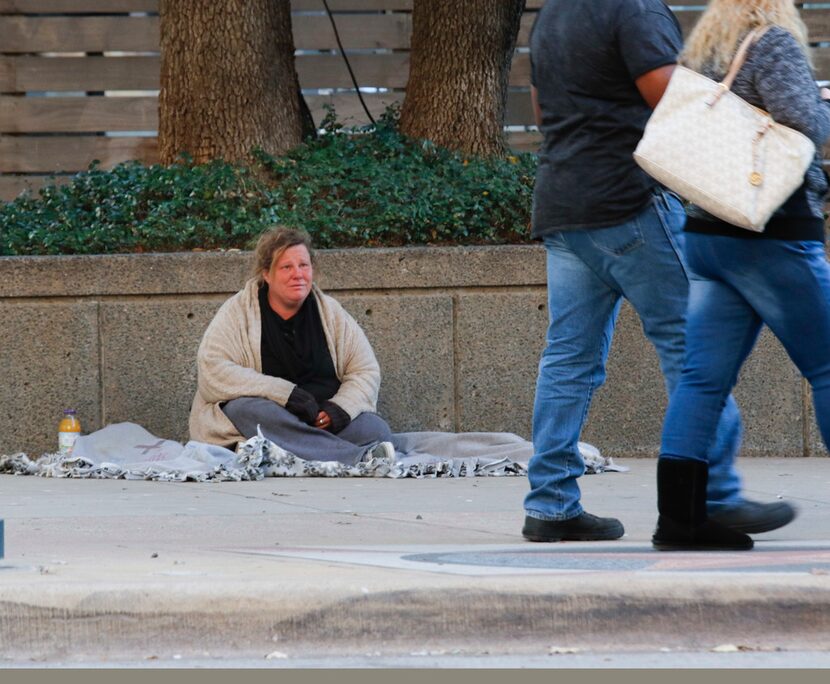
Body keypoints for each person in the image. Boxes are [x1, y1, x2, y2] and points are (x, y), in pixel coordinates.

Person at [522, 0, 791, 543]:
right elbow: (670, 97)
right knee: (694, 350)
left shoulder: (553, 14)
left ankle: (550, 504)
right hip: (628, 204)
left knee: (568, 359)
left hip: (563, 205)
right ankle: (715, 496)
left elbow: (541, 111)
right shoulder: (634, 9)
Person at [653, 0, 830, 550]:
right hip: (770, 238)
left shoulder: (705, 51)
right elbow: (804, 124)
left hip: (708, 235)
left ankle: (679, 520)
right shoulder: (771, 43)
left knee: (702, 380)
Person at [189, 226, 394, 464]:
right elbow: (212, 369)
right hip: (272, 416)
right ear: (267, 273)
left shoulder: (332, 313)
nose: (298, 274)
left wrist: (338, 409)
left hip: (320, 420)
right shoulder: (238, 312)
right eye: (287, 267)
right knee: (248, 411)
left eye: (303, 266)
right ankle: (354, 457)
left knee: (375, 429)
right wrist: (285, 395)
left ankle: (281, 452)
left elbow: (365, 370)